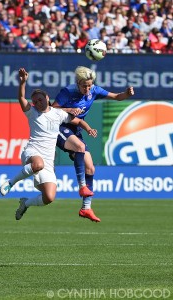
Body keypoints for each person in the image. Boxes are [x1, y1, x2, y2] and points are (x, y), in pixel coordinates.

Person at [0, 68, 98, 221]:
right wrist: (22, 83)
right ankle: (10, 183)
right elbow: (21, 98)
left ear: (47, 98)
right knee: (37, 164)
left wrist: (88, 128)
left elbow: (77, 121)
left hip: (48, 160)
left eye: (40, 99)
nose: (38, 102)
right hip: (32, 151)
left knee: (49, 197)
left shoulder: (58, 113)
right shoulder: (32, 113)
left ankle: (26, 203)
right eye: (35, 101)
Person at [52, 66, 135, 223]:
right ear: (78, 83)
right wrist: (68, 108)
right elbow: (50, 109)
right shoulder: (67, 92)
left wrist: (126, 94)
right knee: (80, 147)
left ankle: (86, 208)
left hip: (75, 129)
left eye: (89, 85)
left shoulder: (94, 90)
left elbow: (116, 96)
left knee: (90, 167)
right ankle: (82, 186)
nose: (87, 88)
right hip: (60, 127)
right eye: (84, 85)